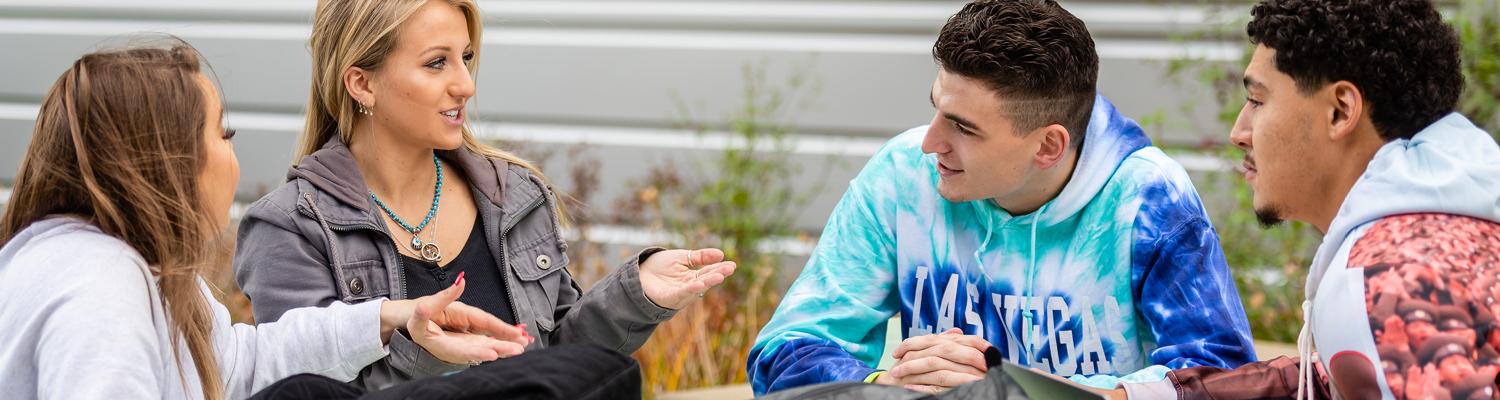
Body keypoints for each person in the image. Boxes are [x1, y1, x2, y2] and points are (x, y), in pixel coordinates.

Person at [748, 0, 1256, 395]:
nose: (930, 143)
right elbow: (782, 350)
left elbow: (1221, 380)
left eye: (964, 128)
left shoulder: (1148, 200)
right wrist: (883, 390)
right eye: (936, 109)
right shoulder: (902, 175)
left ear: (1048, 145)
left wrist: (1008, 393)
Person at [0, 39, 555, 399]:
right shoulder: (101, 292)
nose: (464, 84)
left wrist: (392, 317)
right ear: (166, 159)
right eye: (223, 134)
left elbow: (241, 363)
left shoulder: (133, 271)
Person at [231, 0, 738, 390]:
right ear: (362, 83)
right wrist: (424, 347)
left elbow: (556, 361)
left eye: (466, 58)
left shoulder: (513, 195)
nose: (466, 85)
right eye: (436, 63)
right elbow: (307, 391)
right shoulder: (290, 229)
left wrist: (635, 295)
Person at [1115, 0, 1500, 398]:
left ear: (1339, 111)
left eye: (1258, 101)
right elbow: (1335, 376)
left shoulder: (1389, 281)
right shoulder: (1445, 226)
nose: (1238, 131)